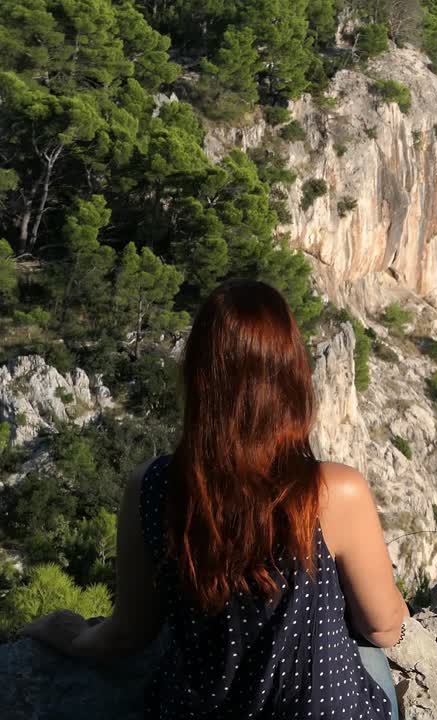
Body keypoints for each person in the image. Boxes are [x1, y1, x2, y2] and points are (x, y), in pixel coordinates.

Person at [22, 280, 408, 719]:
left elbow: (130, 634)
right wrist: (396, 604)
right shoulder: (332, 491)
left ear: (198, 377)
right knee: (368, 655)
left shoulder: (150, 488)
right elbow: (382, 626)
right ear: (293, 378)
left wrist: (72, 635)